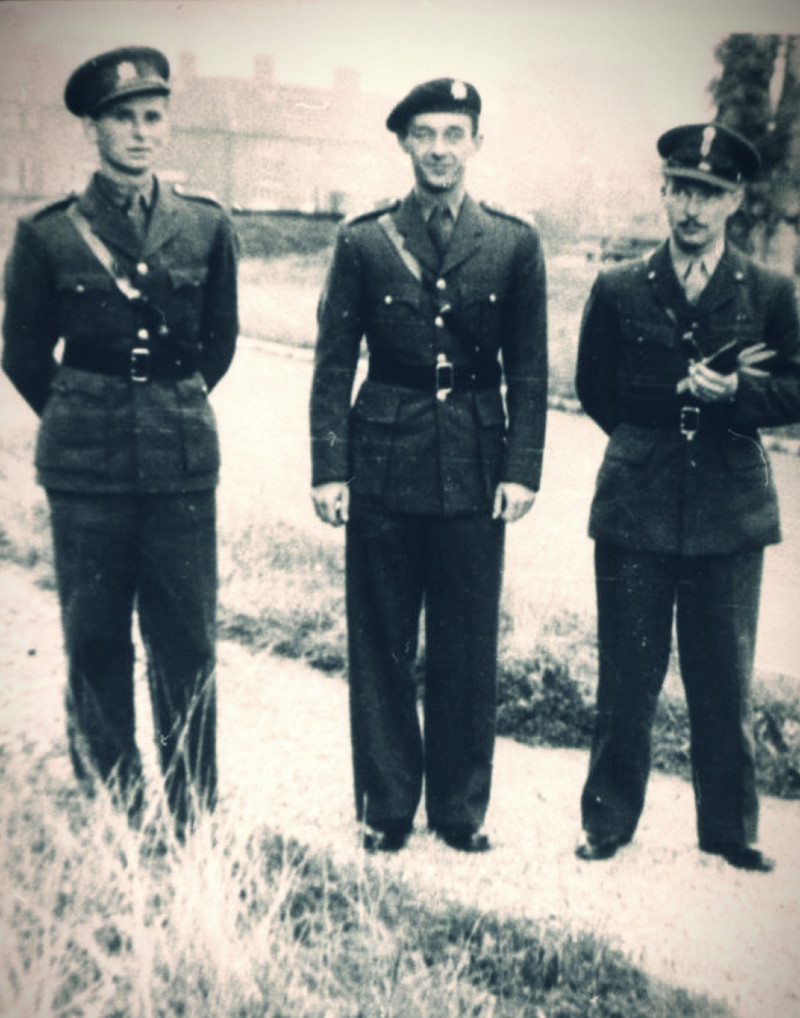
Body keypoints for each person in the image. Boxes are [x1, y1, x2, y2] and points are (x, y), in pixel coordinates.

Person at [2, 47, 239, 840]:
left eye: (152, 116)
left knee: (186, 641)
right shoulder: (46, 234)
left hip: (179, 460)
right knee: (96, 635)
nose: (140, 132)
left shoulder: (205, 225)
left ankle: (192, 815)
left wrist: (167, 403)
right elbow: (22, 353)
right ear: (92, 130)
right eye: (122, 118)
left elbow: (219, 343)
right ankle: (116, 811)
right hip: (86, 467)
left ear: (167, 125)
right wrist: (83, 410)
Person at [309, 78, 548, 853]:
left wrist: (522, 468)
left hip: (476, 462)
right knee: (381, 639)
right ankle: (386, 808)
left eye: (454, 133)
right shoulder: (364, 241)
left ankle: (458, 811)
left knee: (467, 643)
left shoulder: (513, 243)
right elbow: (334, 361)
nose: (440, 149)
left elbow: (531, 369)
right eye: (425, 134)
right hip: (382, 458)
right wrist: (329, 468)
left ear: (476, 142)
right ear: (405, 144)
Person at [574, 122, 800, 871]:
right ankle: (607, 822)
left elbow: (796, 385)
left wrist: (738, 397)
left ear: (734, 200)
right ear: (663, 193)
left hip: (728, 508)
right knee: (626, 673)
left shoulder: (769, 291)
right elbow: (593, 387)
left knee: (724, 677)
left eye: (708, 194)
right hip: (635, 503)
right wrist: (648, 439)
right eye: (680, 190)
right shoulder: (618, 287)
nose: (692, 208)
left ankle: (730, 831)